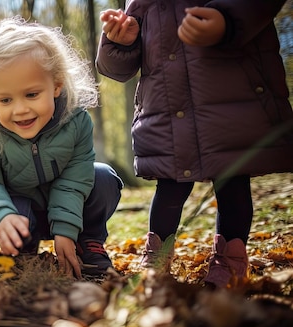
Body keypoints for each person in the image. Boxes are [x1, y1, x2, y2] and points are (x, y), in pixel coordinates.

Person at [96, 1, 293, 287]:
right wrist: (122, 42)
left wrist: (229, 20)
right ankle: (157, 256)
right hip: (167, 104)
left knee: (232, 177)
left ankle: (230, 259)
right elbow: (119, 67)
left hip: (229, 94)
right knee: (170, 183)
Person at [0, 16, 124, 278]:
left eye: (32, 94)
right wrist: (1, 216)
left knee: (102, 176)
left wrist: (66, 231)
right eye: (5, 99)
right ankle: (21, 248)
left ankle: (88, 242)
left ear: (56, 85)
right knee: (11, 202)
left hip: (71, 208)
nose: (20, 109)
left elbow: (74, 179)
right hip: (22, 215)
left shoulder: (76, 122)